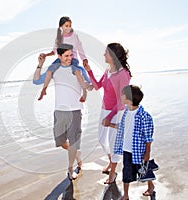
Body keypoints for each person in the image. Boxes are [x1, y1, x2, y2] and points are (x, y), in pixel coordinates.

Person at [84, 43, 132, 184]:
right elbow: (98, 86)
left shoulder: (123, 74)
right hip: (104, 109)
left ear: (113, 55)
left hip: (117, 112)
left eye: (106, 53)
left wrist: (109, 117)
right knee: (101, 139)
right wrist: (89, 71)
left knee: (113, 144)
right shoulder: (108, 71)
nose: (104, 55)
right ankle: (112, 162)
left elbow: (122, 100)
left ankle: (112, 172)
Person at [36, 43, 86, 180]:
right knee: (61, 141)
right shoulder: (54, 69)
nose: (69, 58)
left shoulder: (76, 69)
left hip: (75, 110)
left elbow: (85, 84)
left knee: (74, 141)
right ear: (59, 56)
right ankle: (76, 154)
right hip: (59, 111)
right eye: (66, 56)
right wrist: (40, 64)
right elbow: (36, 80)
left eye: (71, 55)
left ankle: (70, 168)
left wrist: (86, 91)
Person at [110, 85, 156, 199]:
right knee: (126, 172)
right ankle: (125, 195)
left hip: (139, 151)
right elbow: (123, 128)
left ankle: (151, 187)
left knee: (144, 171)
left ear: (129, 98)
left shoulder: (143, 116)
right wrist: (110, 124)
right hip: (127, 149)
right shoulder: (126, 112)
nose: (121, 96)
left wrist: (147, 152)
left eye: (123, 95)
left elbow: (148, 136)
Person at [33, 16, 92, 102]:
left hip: (73, 59)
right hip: (60, 60)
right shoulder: (59, 38)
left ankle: (85, 88)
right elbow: (54, 51)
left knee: (77, 71)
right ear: (61, 27)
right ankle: (44, 89)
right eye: (66, 26)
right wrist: (46, 55)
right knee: (50, 70)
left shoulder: (74, 36)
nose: (68, 28)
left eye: (69, 25)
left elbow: (80, 48)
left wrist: (84, 59)